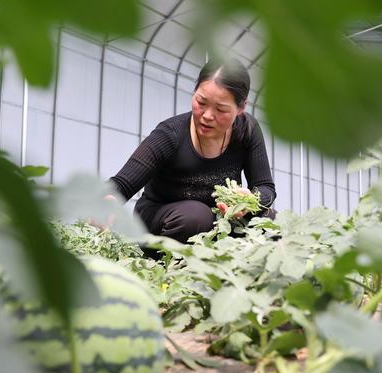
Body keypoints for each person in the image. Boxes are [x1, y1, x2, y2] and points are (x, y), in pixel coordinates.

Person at [109, 57, 276, 243]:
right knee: (196, 217)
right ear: (194, 92)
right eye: (201, 102)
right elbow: (122, 184)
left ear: (241, 108)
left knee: (270, 222)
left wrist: (250, 200)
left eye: (221, 109)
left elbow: (266, 187)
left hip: (217, 223)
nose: (207, 116)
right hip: (161, 223)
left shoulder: (248, 131)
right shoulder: (171, 134)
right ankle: (170, 266)